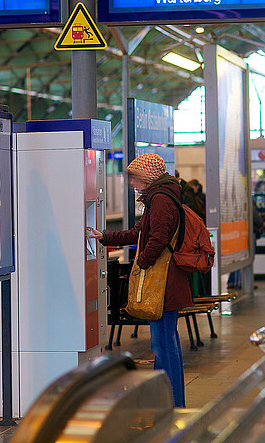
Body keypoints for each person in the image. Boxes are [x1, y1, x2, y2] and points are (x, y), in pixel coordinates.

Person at [86, 153, 192, 408]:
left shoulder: (161, 199)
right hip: (167, 282)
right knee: (165, 343)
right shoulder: (161, 196)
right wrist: (105, 236)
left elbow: (157, 238)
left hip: (163, 283)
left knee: (164, 344)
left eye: (134, 178)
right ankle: (166, 402)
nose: (132, 183)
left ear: (147, 177)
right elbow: (138, 232)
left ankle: (174, 405)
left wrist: (141, 263)